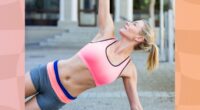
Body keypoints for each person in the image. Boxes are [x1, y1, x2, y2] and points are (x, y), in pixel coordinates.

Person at [25, 0, 159, 110]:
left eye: (134, 24)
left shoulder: (128, 69)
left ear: (139, 38)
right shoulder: (106, 32)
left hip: (56, 98)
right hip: (44, 75)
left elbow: (135, 105)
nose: (128, 23)